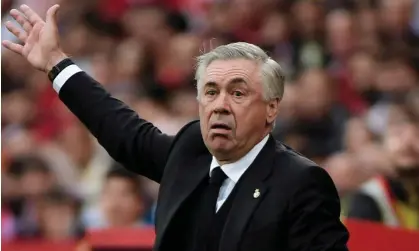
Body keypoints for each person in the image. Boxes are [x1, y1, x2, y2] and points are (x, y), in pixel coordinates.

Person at [2, 4, 349, 251]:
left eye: (238, 93)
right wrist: (55, 64)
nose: (220, 105)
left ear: (272, 108)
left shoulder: (301, 183)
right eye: (210, 92)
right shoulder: (190, 149)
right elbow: (122, 131)